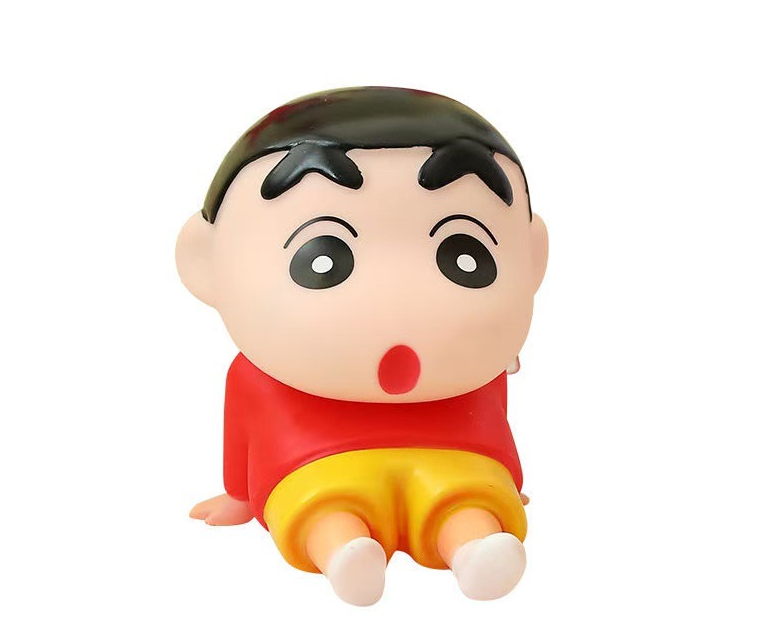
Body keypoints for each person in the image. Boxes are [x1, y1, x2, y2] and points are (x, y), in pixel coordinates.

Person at [176, 87, 548, 605]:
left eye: (465, 256)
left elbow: (494, 420)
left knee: (465, 499)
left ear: (532, 259)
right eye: (322, 259)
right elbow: (242, 428)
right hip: (311, 464)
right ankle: (345, 554)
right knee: (322, 507)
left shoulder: (480, 369)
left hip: (456, 458)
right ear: (206, 263)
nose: (398, 298)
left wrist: (506, 478)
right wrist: (239, 496)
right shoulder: (259, 375)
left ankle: (477, 548)